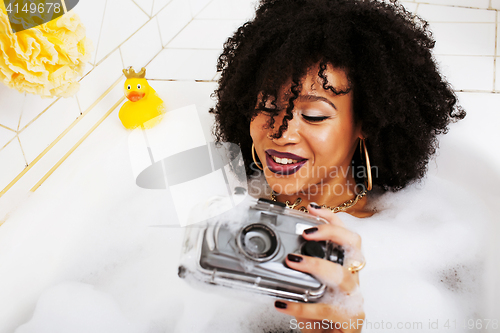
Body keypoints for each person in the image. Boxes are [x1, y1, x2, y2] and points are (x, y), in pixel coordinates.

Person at [209, 0, 468, 331]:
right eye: (268, 107)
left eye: (314, 115)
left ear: (366, 123)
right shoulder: (229, 199)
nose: (281, 132)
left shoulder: (423, 246)